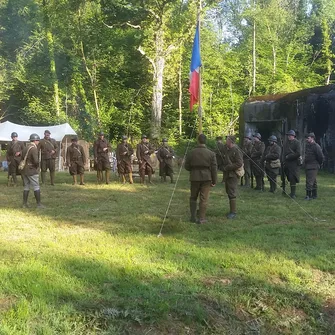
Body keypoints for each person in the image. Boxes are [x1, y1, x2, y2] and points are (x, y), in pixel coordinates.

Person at [185, 134, 217, 224]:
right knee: (204, 198)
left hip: (194, 177)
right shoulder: (211, 153)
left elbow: (186, 166)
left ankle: (192, 217)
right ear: (205, 141)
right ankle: (202, 218)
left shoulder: (191, 152)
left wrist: (193, 170)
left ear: (198, 141)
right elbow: (214, 168)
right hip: (206, 178)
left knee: (193, 197)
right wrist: (214, 181)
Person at [222, 135, 243, 219]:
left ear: (231, 141)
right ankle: (231, 210)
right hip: (228, 174)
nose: (226, 141)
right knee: (229, 191)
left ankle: (233, 212)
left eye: (227, 140)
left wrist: (228, 167)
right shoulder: (228, 150)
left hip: (233, 174)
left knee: (232, 192)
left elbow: (239, 163)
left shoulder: (236, 150)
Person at [22, 134, 44, 208]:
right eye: (38, 140)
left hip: (24, 170)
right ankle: (39, 204)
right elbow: (36, 161)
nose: (38, 142)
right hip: (31, 170)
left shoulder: (26, 148)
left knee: (26, 187)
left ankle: (24, 204)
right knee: (36, 186)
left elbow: (22, 158)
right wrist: (37, 167)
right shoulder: (34, 149)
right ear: (35, 140)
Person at [304, 132, 324, 200]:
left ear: (312, 138)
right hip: (308, 166)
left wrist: (318, 164)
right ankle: (314, 195)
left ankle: (308, 196)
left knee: (309, 181)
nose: (307, 139)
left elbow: (320, 156)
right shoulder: (308, 145)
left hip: (313, 166)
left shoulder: (316, 146)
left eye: (308, 138)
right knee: (313, 181)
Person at [283, 130, 301, 198]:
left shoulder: (297, 143)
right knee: (288, 177)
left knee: (292, 177)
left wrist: (289, 157)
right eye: (288, 135)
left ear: (293, 136)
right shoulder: (286, 143)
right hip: (287, 163)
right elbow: (284, 152)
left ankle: (293, 194)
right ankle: (286, 191)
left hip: (294, 163)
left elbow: (298, 153)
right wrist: (283, 160)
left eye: (290, 135)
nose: (289, 136)